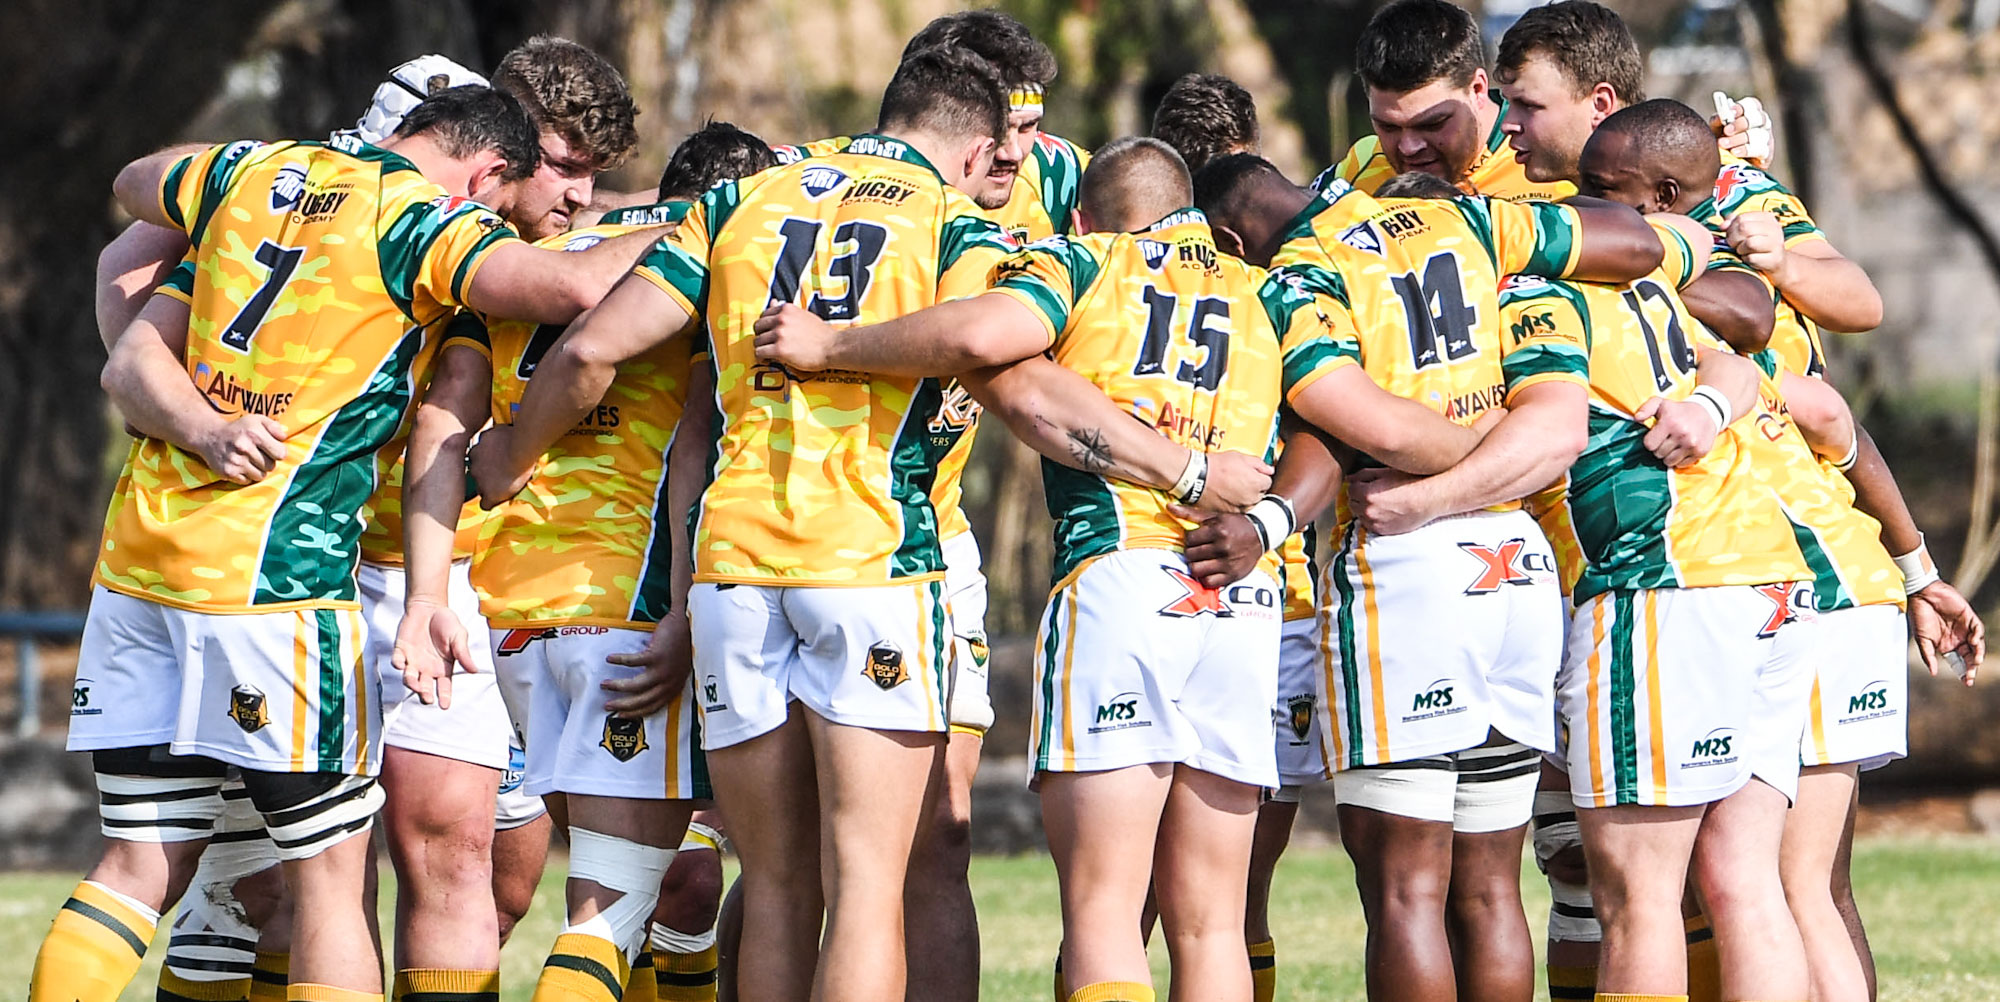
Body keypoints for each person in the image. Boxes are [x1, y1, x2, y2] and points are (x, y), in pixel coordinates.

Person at [41, 83, 651, 1002]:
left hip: (139, 566)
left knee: (136, 867)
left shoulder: (254, 174)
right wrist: (706, 216)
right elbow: (575, 287)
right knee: (328, 882)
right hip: (278, 575)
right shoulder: (422, 220)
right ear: (485, 172)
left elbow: (132, 206)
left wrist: (205, 424)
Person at [1193, 152, 1664, 1002]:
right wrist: (1500, 461)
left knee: (1404, 889)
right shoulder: (1473, 222)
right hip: (1514, 562)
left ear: (1231, 239)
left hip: (1405, 570)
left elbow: (1351, 414)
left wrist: (1432, 489)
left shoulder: (1304, 267)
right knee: (1489, 887)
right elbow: (1628, 262)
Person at [1568, 97, 1987, 1002]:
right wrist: (1919, 570)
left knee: (1772, 883)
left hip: (1792, 579)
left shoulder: (1683, 268)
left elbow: (1843, 345)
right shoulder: (1719, 244)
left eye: (1527, 103)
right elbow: (1833, 406)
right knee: (1775, 882)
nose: (1575, 195)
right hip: (1827, 579)